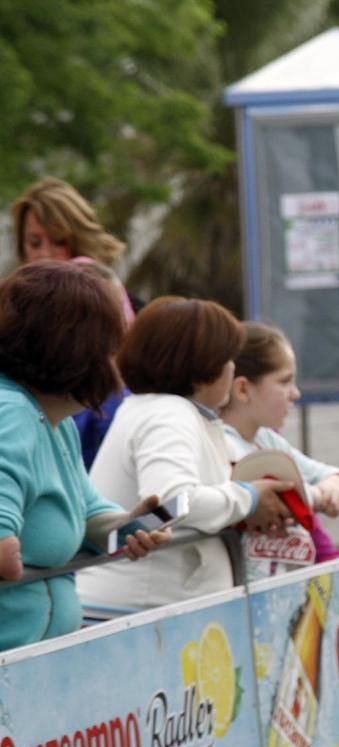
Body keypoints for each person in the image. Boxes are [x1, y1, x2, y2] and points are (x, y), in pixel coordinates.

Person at [78, 297, 295, 612]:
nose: (233, 369)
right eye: (228, 359)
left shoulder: (165, 411)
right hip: (137, 612)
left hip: (147, 609)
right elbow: (174, 501)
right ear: (203, 367)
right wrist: (248, 497)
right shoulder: (167, 414)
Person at [0, 262, 169, 651]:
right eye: (114, 346)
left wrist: (128, 525)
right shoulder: (14, 415)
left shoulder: (56, 423)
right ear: (78, 351)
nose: (122, 362)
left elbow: (86, 508)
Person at [10, 177, 139, 469]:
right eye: (34, 242)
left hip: (90, 413)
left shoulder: (90, 279)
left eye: (59, 242)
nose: (45, 253)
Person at [221, 322, 339, 577]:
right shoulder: (222, 444)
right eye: (284, 381)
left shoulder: (266, 439)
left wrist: (336, 482)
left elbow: (326, 473)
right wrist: (318, 494)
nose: (295, 393)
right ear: (242, 389)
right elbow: (286, 496)